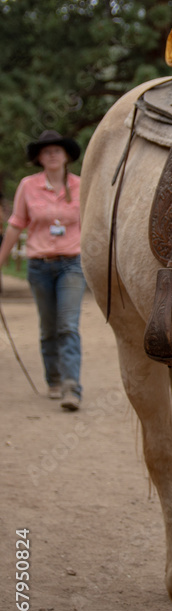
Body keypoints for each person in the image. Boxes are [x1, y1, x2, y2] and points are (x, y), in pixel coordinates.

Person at [0, 129, 86, 410]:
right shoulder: (28, 186)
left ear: (66, 155)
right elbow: (16, 225)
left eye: (56, 150)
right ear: (39, 157)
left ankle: (72, 387)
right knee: (48, 328)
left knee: (67, 325)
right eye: (46, 151)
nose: (51, 154)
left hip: (72, 264)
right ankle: (54, 379)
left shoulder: (81, 186)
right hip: (39, 266)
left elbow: (91, 226)